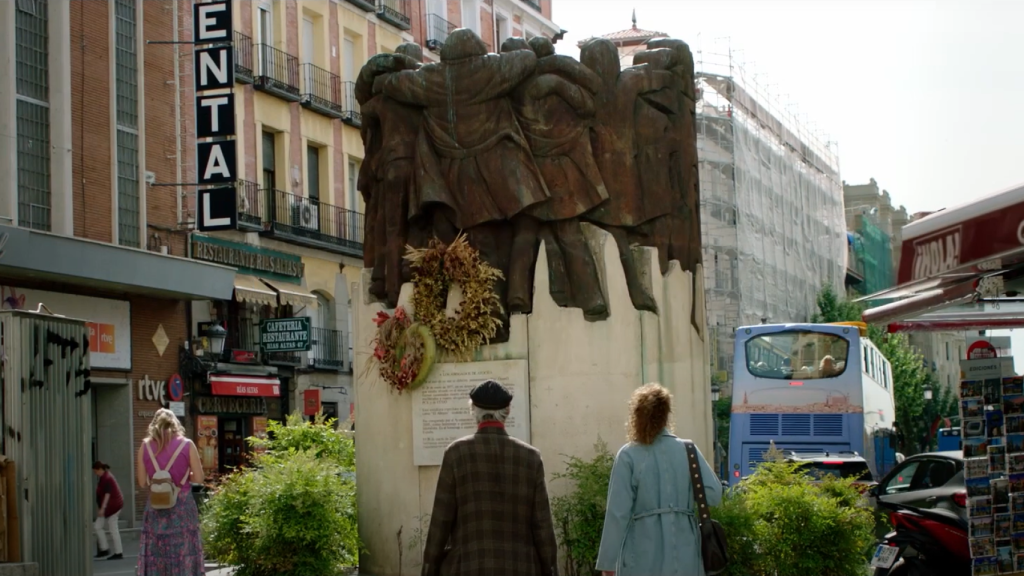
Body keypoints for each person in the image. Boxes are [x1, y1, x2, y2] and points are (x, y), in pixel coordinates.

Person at [421, 380, 558, 576]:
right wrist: (550, 569)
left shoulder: (456, 453)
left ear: (473, 410)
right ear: (508, 411)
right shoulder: (531, 458)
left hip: (468, 566)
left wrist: (429, 569)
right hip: (521, 568)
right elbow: (542, 526)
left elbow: (440, 523)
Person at [596, 383, 723, 576]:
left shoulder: (629, 455)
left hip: (642, 553)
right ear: (666, 415)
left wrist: (608, 562)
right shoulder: (688, 450)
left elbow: (617, 513)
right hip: (685, 552)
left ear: (636, 416)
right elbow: (713, 495)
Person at [136, 409, 205, 576]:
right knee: (184, 552)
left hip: (156, 506)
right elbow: (200, 478)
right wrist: (184, 476)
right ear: (175, 424)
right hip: (182, 507)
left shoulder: (145, 446)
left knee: (156, 553)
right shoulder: (187, 444)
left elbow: (142, 482)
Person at [93, 461, 124, 560]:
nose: (95, 473)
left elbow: (107, 494)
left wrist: (102, 508)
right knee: (98, 526)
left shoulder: (107, 478)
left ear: (99, 469)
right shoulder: (104, 477)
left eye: (95, 471)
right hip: (109, 507)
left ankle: (118, 552)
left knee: (113, 528)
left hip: (113, 507)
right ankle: (104, 548)